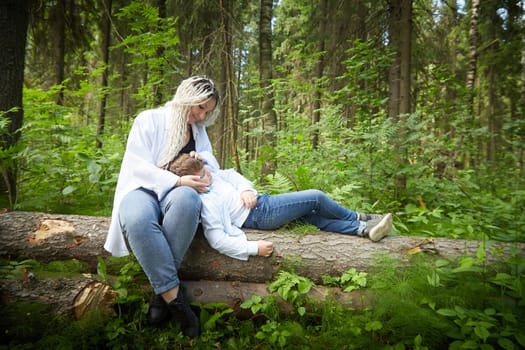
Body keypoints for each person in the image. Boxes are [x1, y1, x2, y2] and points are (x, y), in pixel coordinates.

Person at [104, 76, 222, 338]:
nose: (202, 116)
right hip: (142, 188)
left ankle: (160, 294)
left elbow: (210, 160)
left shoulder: (198, 131)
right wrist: (177, 179)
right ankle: (175, 300)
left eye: (207, 112)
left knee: (188, 200)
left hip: (178, 193)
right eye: (200, 107)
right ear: (187, 97)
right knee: (136, 219)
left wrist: (204, 167)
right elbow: (137, 165)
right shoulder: (149, 119)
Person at [169, 153, 393, 261]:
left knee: (313, 218)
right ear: (191, 182)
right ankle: (360, 216)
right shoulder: (205, 202)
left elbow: (231, 175)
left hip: (262, 204)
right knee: (315, 197)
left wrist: (246, 189)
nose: (209, 176)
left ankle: (363, 229)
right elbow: (217, 239)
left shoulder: (213, 175)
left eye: (206, 172)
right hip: (260, 214)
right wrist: (253, 248)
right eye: (201, 177)